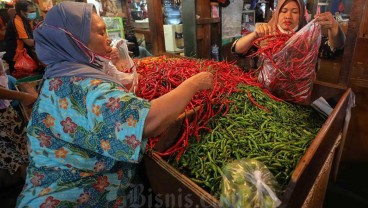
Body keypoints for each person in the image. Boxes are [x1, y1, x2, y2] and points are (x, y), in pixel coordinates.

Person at [16, 2, 213, 207]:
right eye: (101, 33)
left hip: (53, 191)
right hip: (72, 199)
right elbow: (148, 122)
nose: (108, 38)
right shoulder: (84, 87)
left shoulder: (61, 73)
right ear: (74, 40)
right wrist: (194, 84)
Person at [232, 0, 346, 64]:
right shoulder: (266, 35)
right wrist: (254, 35)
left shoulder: (308, 39)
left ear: (301, 16)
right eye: (284, 11)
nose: (288, 16)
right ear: (277, 14)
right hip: (265, 96)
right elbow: (237, 50)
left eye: (295, 12)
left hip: (296, 97)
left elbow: (334, 51)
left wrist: (335, 27)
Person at [3, 0, 37, 76]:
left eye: (34, 11)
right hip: (17, 56)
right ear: (22, 12)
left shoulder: (27, 20)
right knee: (20, 80)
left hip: (25, 53)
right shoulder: (17, 21)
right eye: (31, 12)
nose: (34, 13)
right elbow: (28, 42)